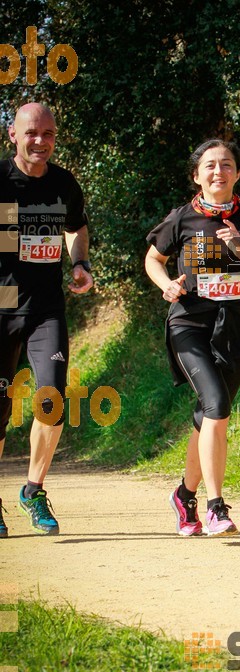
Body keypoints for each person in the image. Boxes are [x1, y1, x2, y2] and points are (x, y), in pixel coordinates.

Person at [145, 139, 240, 536]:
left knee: (207, 415)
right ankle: (215, 507)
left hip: (235, 328)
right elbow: (154, 258)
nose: (218, 171)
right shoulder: (182, 218)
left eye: (226, 165)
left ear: (237, 173)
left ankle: (184, 495)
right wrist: (165, 285)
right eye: (209, 165)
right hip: (188, 325)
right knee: (217, 407)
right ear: (197, 175)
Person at [0, 103, 93, 537]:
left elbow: (76, 227)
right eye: (32, 133)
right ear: (12, 136)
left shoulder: (63, 183)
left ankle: (33, 491)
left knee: (51, 398)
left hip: (44, 307)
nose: (41, 141)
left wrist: (80, 263)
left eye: (49, 134)